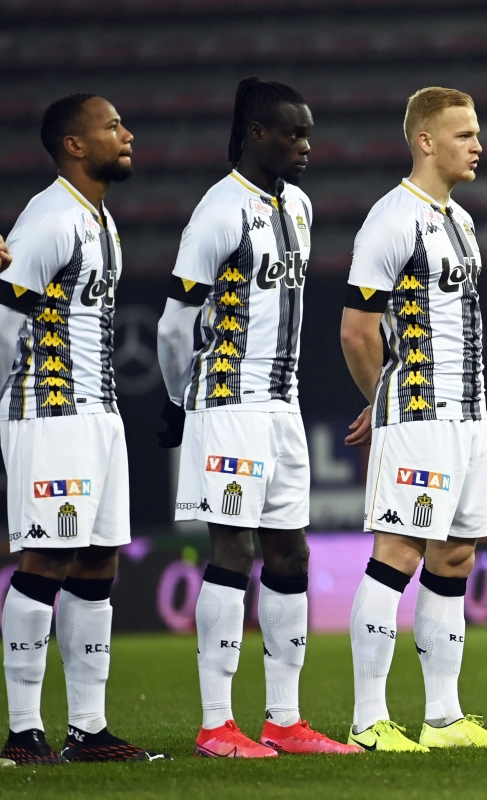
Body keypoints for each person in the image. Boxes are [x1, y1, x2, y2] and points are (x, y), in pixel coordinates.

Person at [156, 78, 358, 757]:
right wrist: (184, 397)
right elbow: (173, 325)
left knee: (290, 551)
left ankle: (284, 719)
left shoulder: (297, 206)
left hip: (283, 404)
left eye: (307, 132)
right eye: (293, 133)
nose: (306, 145)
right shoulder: (217, 211)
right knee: (233, 550)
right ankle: (216, 723)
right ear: (255, 136)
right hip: (230, 402)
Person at [341, 86, 487, 751]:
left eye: (477, 133)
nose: (479, 145)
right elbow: (358, 332)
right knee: (398, 551)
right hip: (418, 413)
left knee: (457, 553)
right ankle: (367, 720)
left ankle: (442, 718)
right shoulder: (393, 218)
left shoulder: (460, 220)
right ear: (425, 141)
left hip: (467, 418)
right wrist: (382, 402)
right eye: (465, 134)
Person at [0, 94, 167, 764]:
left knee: (97, 561)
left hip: (99, 413)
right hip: (50, 410)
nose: (127, 134)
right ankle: (22, 732)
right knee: (46, 557)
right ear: (74, 144)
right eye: (112, 127)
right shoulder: (49, 218)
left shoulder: (98, 218)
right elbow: (7, 322)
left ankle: (88, 731)